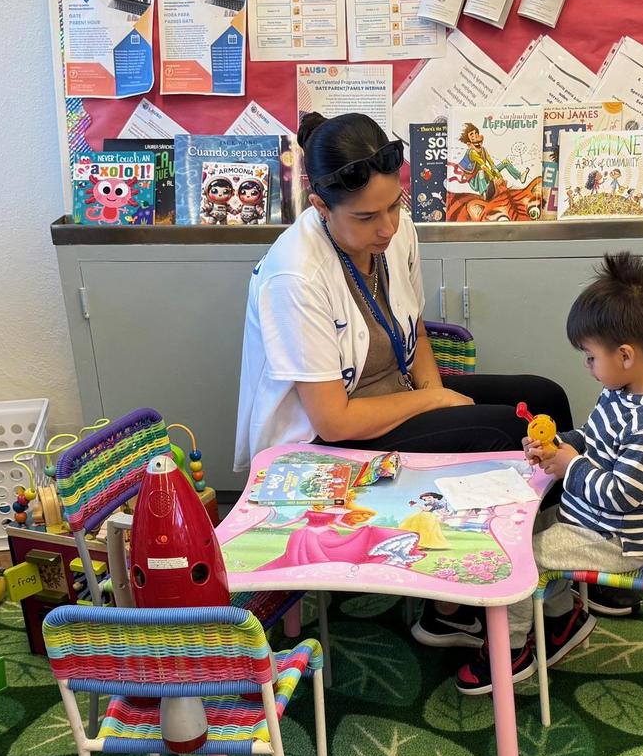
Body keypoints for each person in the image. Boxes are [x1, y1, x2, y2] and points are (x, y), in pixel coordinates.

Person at [235, 111, 573, 648]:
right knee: (498, 435)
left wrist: (432, 395)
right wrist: (436, 403)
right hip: (322, 445)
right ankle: (460, 609)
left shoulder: (396, 229)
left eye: (395, 205)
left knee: (544, 397)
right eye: (369, 217)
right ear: (321, 205)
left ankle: (553, 575)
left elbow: (410, 324)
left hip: (389, 400)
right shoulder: (293, 275)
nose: (388, 227)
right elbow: (334, 417)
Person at [454, 254, 643, 695]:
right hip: (592, 522)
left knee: (519, 554)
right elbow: (594, 435)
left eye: (590, 357)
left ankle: (510, 652)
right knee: (527, 523)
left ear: (625, 355)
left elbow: (621, 495)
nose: (587, 366)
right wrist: (561, 443)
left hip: (616, 542)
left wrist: (570, 465)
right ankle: (563, 618)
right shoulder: (624, 392)